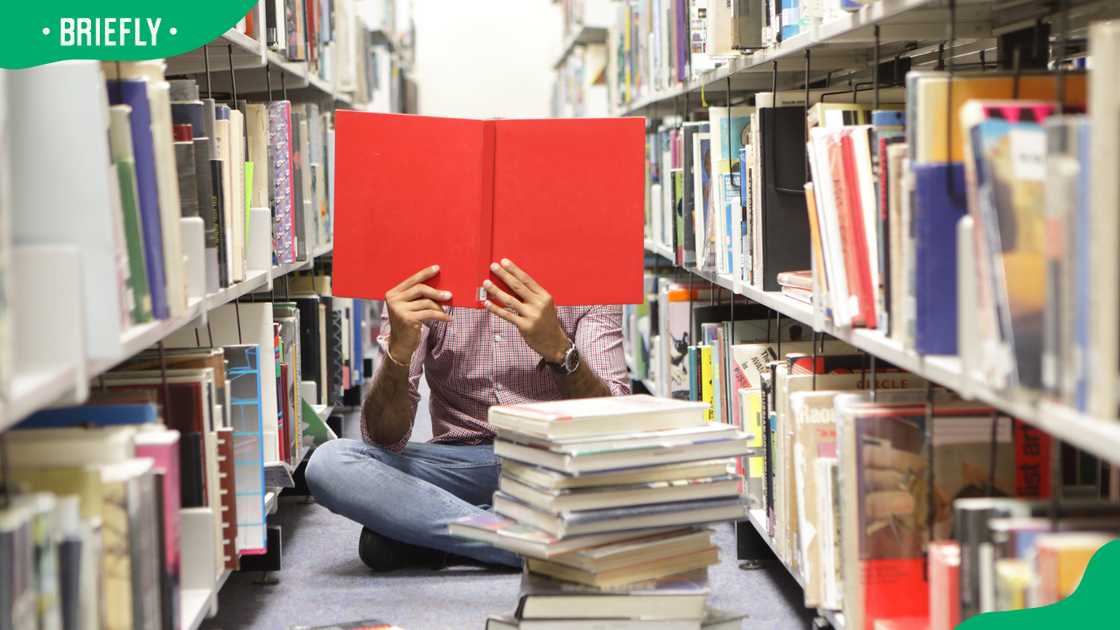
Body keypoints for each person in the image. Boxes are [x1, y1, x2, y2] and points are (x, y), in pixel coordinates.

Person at [305, 258, 630, 570]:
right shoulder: (426, 277)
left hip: (558, 464)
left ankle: (432, 531)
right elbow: (383, 437)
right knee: (329, 464)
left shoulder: (591, 269)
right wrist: (397, 355)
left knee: (643, 484)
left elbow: (612, 430)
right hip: (462, 465)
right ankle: (529, 544)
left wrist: (560, 350)